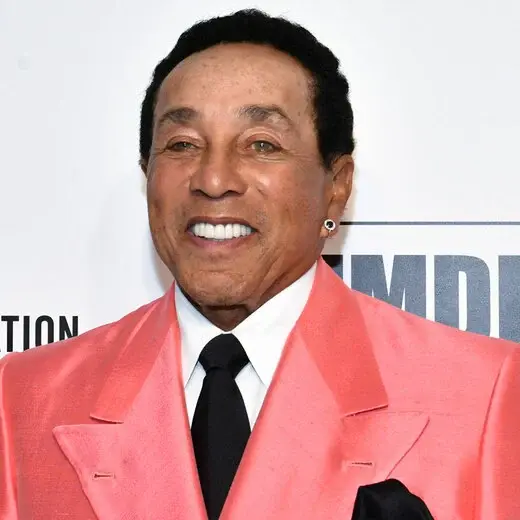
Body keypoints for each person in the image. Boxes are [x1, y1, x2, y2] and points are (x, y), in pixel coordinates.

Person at [1, 9, 519, 520]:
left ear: (337, 187)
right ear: (148, 173)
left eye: (261, 145)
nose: (213, 179)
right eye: (182, 144)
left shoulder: (484, 395)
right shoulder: (25, 397)